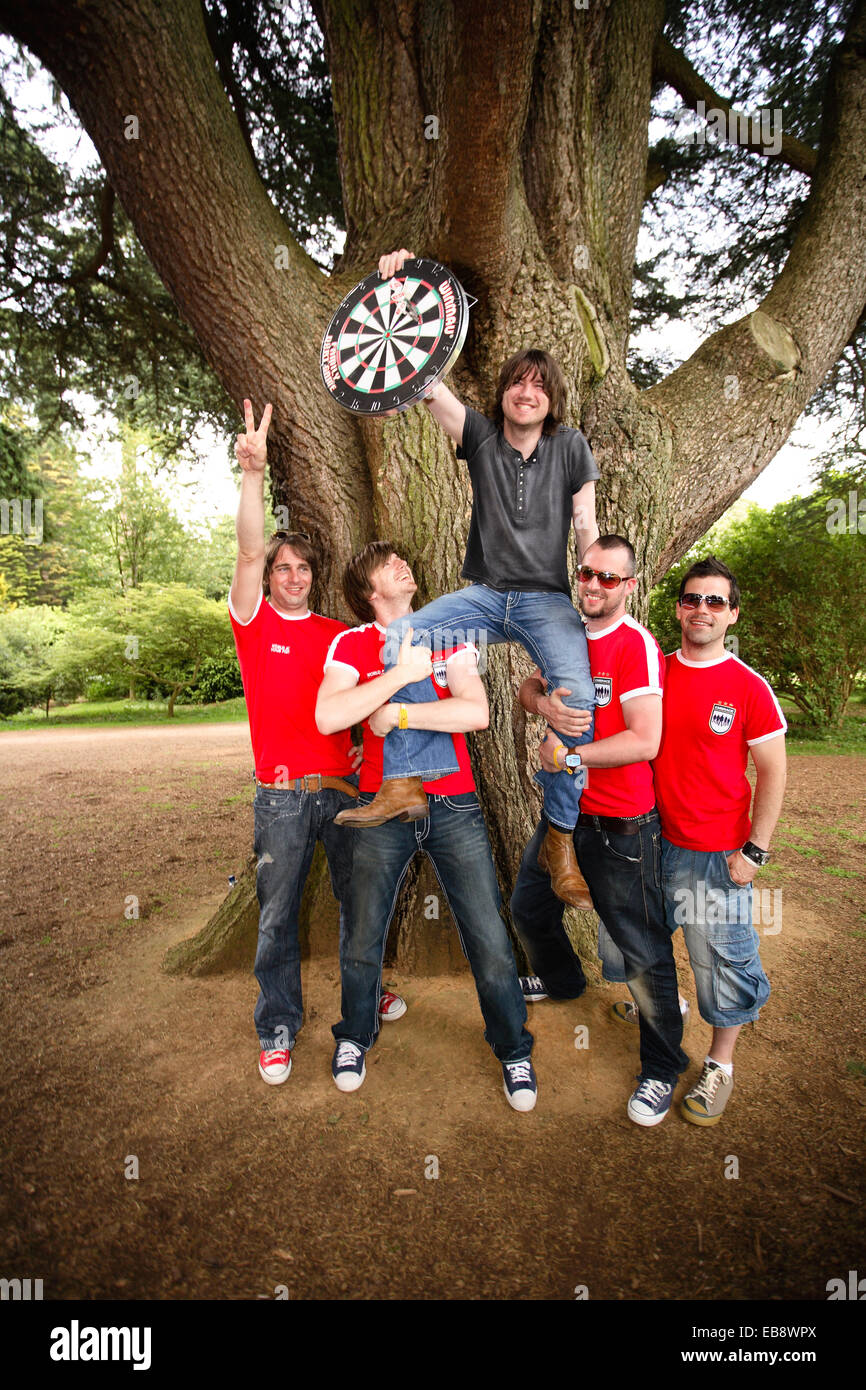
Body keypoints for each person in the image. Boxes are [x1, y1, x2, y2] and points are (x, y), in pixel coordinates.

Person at [335, 249, 599, 912]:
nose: (526, 391)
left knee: (579, 705)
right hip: (483, 597)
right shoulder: (479, 436)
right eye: (517, 382)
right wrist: (398, 292)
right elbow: (426, 382)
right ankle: (403, 781)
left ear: (551, 398)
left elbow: (587, 523)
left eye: (539, 384)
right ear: (505, 392)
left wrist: (594, 585)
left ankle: (560, 836)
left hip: (546, 601)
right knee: (404, 640)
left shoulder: (571, 447)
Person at [316, 541, 537, 1111]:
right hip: (379, 805)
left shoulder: (451, 635)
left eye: (403, 560)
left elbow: (477, 712)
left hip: (453, 803)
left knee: (487, 932)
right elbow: (329, 715)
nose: (403, 566)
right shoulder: (352, 642)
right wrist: (401, 676)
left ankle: (513, 1047)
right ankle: (355, 1035)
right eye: (387, 566)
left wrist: (400, 713)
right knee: (362, 929)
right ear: (370, 593)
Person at [229, 400, 405, 1086]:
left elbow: (367, 697)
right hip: (280, 798)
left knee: (360, 905)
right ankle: (277, 1026)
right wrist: (252, 472)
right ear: (270, 576)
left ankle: (366, 995)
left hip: (345, 794)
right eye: (283, 567)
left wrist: (364, 745)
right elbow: (247, 546)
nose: (293, 576)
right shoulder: (252, 621)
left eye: (304, 568)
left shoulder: (338, 633)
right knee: (276, 918)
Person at [512, 535, 689, 1125]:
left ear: (629, 586)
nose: (593, 584)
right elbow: (526, 690)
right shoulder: (564, 630)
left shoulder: (634, 644)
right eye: (586, 573)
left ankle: (662, 1070)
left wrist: (569, 757)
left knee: (641, 951)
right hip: (564, 816)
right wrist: (545, 709)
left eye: (608, 578)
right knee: (529, 907)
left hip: (621, 823)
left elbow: (646, 739)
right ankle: (563, 982)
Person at [626, 555, 787, 1126]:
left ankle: (720, 1063)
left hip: (713, 853)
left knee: (720, 960)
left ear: (731, 615)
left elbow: (773, 771)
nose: (702, 609)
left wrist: (754, 852)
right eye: (693, 598)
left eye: (715, 601)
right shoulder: (653, 673)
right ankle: (663, 1014)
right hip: (644, 839)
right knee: (635, 950)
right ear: (678, 608)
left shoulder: (747, 687)